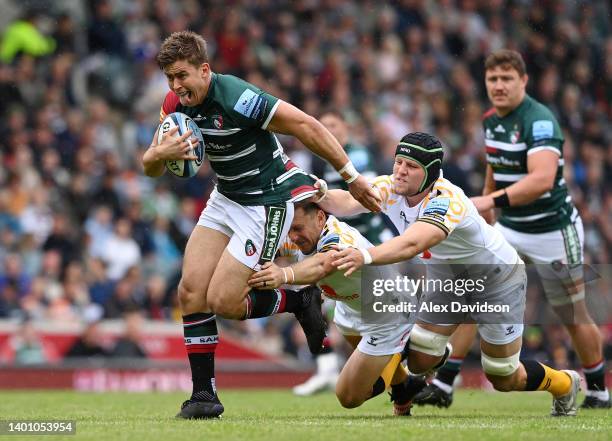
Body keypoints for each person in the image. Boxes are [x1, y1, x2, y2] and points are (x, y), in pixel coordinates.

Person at [141, 31, 381, 419]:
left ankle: (300, 299)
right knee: (190, 291)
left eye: (182, 75)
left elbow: (306, 124)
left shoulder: (238, 97)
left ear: (205, 70)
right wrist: (159, 153)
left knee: (224, 302)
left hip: (265, 201)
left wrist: (351, 176)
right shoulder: (174, 105)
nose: (175, 86)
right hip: (226, 196)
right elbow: (150, 167)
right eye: (170, 77)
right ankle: (204, 396)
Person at [322, 131, 581, 416]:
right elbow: (346, 201)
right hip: (449, 280)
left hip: (497, 280)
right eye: (398, 162)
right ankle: (424, 361)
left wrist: (365, 255)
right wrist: (317, 192)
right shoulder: (391, 187)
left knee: (503, 375)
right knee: (420, 359)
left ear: (430, 173)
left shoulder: (447, 199)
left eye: (411, 166)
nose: (400, 172)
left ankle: (565, 383)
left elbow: (414, 242)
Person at [418, 49, 610, 410]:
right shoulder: (492, 119)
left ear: (523, 81)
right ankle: (443, 385)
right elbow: (495, 164)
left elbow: (541, 179)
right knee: (475, 296)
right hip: (509, 228)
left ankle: (599, 391)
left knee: (570, 311)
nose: (499, 85)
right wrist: (488, 205)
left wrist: (490, 202)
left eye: (507, 79)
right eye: (493, 79)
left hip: (554, 230)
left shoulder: (539, 120)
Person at [247, 202, 421, 415]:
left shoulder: (338, 239)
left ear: (321, 217)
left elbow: (324, 263)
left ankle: (408, 346)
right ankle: (405, 386)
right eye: (289, 229)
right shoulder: (298, 236)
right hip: (350, 310)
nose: (293, 236)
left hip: (389, 313)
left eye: (298, 228)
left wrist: (283, 274)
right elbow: (263, 247)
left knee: (348, 396)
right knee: (374, 362)